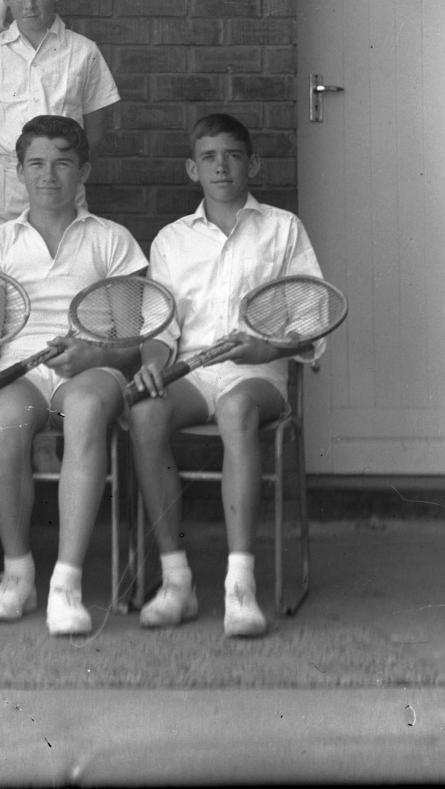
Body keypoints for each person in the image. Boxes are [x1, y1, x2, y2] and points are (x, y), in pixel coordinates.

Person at [127, 113, 326, 638]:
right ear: (192, 169)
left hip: (259, 372)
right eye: (209, 157)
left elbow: (311, 321)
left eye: (233, 156)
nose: (221, 167)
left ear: (252, 165)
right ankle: (177, 582)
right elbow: (160, 329)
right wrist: (153, 364)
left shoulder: (283, 228)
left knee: (237, 409)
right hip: (194, 374)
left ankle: (241, 588)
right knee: (144, 414)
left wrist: (268, 347)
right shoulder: (171, 239)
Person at [0, 115, 146, 636]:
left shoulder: (112, 239)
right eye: (36, 164)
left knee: (83, 409)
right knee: (3, 419)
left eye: (63, 163)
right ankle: (18, 575)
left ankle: (66, 584)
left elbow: (131, 341)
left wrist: (91, 354)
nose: (48, 175)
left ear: (83, 171)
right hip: (22, 368)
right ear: (18, 171)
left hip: (93, 369)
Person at [0, 0, 120, 231]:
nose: (29, 5)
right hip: (3, 186)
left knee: (65, 251)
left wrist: (68, 167)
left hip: (62, 180)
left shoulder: (83, 51)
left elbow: (95, 132)